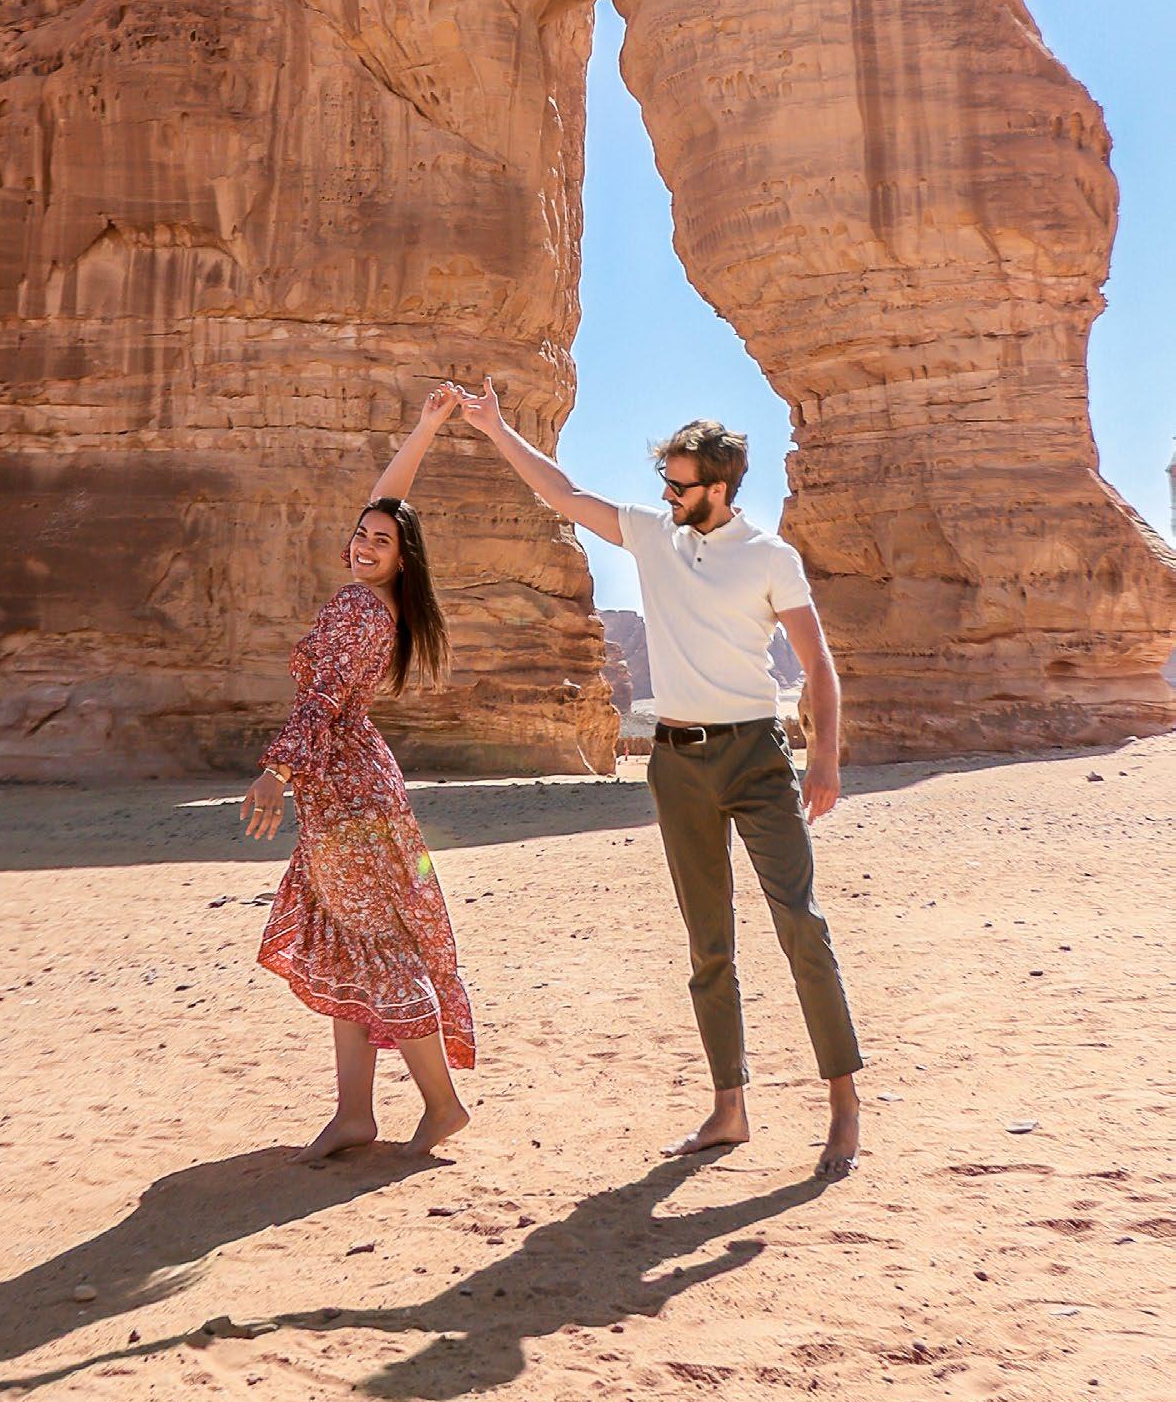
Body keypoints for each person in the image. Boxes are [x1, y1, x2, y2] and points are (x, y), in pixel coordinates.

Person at [454, 379, 863, 1180]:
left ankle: (844, 1104)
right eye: (664, 482)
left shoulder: (769, 556)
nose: (667, 495)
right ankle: (729, 1108)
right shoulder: (652, 534)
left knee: (799, 923)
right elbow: (564, 492)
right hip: (676, 763)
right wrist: (496, 427)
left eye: (680, 485)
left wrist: (825, 756)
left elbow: (818, 662)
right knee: (709, 944)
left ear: (719, 487)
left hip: (755, 757)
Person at [241, 387, 476, 1161]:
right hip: (353, 787)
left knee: (374, 942)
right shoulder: (384, 604)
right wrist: (427, 426)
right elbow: (388, 502)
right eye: (360, 534)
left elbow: (322, 700)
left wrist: (277, 771)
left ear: (402, 558)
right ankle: (354, 1114)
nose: (365, 543)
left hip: (348, 796)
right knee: (349, 940)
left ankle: (442, 1102)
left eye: (382, 541)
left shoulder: (358, 610)